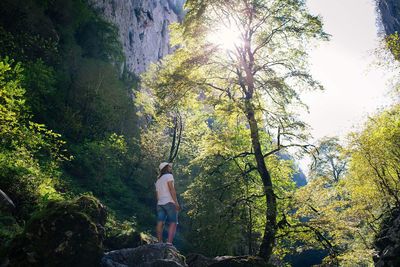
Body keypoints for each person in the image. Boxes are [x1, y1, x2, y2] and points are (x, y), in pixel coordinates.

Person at [155, 162, 180, 244]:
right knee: (173, 222)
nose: (170, 167)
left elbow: (157, 194)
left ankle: (159, 242)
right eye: (169, 166)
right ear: (166, 168)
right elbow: (172, 190)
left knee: (160, 222)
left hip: (160, 203)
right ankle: (169, 243)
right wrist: (176, 202)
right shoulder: (169, 176)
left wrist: (160, 201)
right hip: (169, 202)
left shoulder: (158, 180)